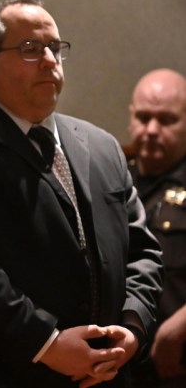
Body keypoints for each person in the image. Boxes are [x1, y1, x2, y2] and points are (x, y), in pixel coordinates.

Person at [0, 0, 163, 387]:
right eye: (30, 49)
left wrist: (133, 329)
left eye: (55, 48)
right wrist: (49, 342)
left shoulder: (103, 145)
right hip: (4, 375)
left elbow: (142, 251)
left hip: (108, 373)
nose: (48, 59)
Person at [128, 69, 186, 388]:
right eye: (143, 117)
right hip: (121, 370)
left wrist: (182, 326)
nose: (151, 129)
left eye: (166, 120)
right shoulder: (109, 181)